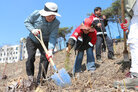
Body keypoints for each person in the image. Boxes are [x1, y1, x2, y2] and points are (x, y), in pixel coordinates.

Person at [24, 2, 61, 85]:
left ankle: (40, 80)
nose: (51, 17)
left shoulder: (56, 23)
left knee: (45, 58)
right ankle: (30, 77)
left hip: (45, 41)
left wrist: (50, 50)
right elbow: (27, 22)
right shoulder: (36, 14)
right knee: (31, 57)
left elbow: (53, 36)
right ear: (44, 13)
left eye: (53, 15)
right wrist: (32, 29)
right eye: (49, 15)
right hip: (32, 39)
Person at [114, 0, 138, 90]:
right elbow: (129, 8)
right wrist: (127, 20)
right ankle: (136, 76)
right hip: (135, 17)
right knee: (134, 41)